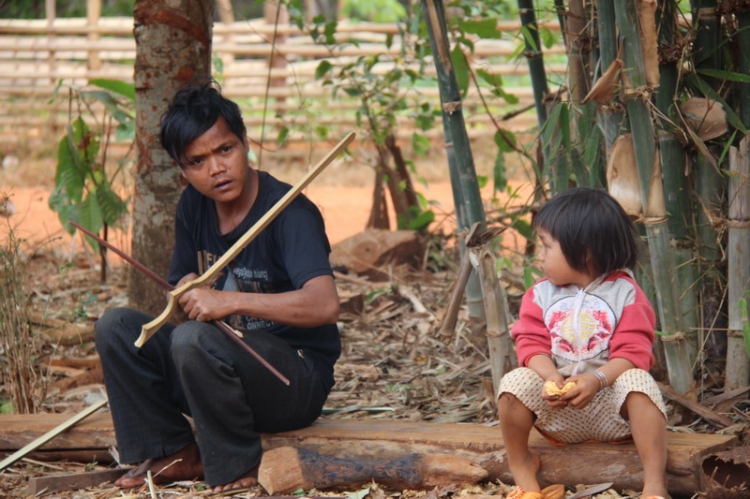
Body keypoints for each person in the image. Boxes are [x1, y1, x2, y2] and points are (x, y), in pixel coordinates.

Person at [95, 78, 341, 494]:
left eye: (225, 150)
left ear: (244, 142)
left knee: (193, 339)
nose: (216, 168)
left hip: (292, 382)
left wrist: (226, 300)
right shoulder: (194, 205)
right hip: (218, 376)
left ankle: (234, 462)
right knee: (116, 327)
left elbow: (324, 305)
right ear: (182, 168)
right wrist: (188, 289)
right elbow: (183, 281)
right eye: (197, 160)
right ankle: (175, 450)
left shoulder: (289, 211)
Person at [497, 188, 669, 499]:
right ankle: (523, 471)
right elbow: (530, 343)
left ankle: (655, 486)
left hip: (613, 412)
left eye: (547, 246)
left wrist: (597, 379)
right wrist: (550, 377)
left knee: (639, 381)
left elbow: (634, 351)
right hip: (557, 411)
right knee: (513, 383)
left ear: (584, 251)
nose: (540, 255)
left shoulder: (626, 294)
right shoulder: (540, 294)